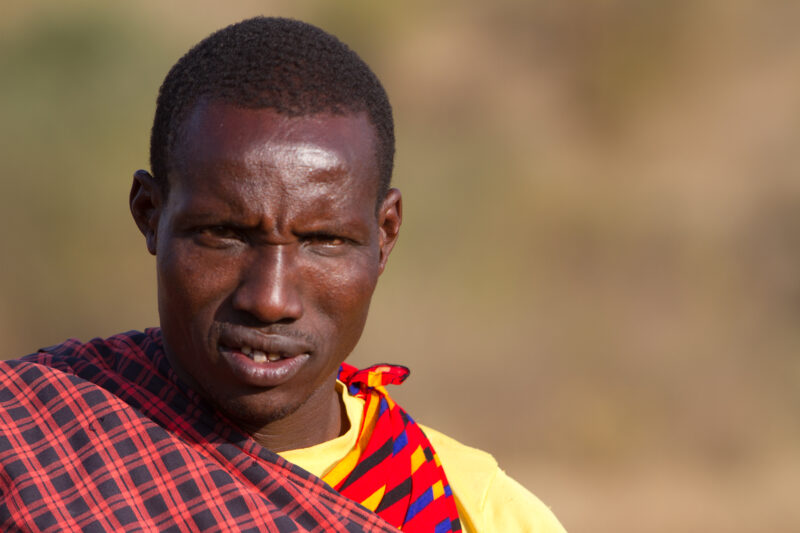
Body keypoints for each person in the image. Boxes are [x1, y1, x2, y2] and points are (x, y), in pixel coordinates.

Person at [0, 17, 565, 532]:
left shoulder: (468, 510)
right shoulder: (26, 444)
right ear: (149, 214)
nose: (269, 300)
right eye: (224, 235)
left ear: (385, 233)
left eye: (324, 242)